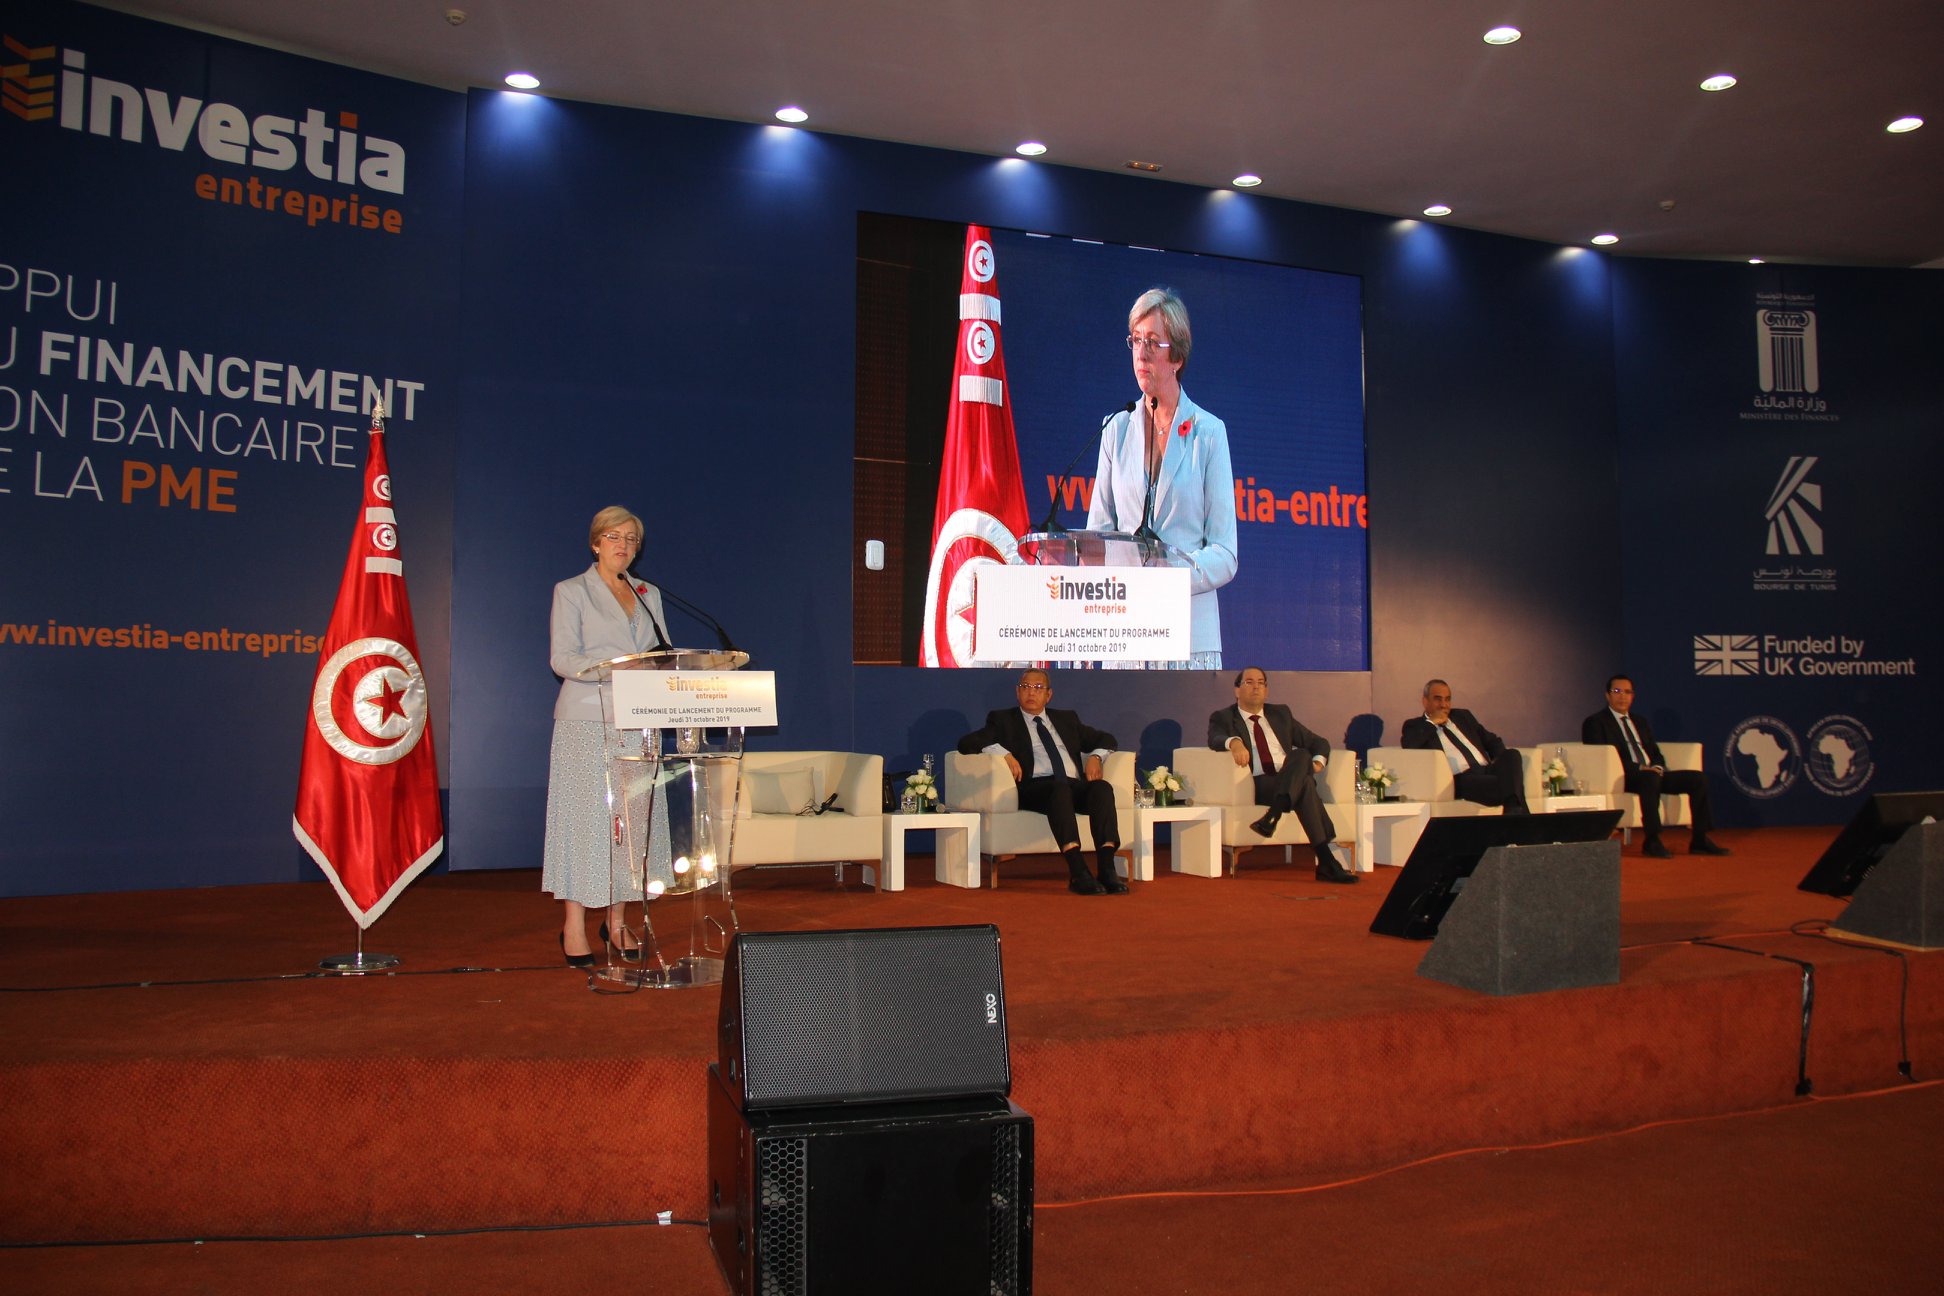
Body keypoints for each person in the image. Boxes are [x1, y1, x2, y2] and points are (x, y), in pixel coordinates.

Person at [541, 506, 673, 966]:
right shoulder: (571, 591)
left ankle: (616, 922)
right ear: (596, 543)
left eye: (632, 539)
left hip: (640, 719)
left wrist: (659, 667)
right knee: (585, 824)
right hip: (586, 720)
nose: (624, 545)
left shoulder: (648, 593)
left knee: (630, 826)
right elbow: (562, 658)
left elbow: (661, 651)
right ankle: (573, 925)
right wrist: (616, 670)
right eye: (614, 537)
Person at [1085, 287, 1238, 669]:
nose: (1141, 353)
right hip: (1125, 638)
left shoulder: (1208, 433)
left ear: (1177, 357)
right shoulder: (1115, 429)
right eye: (1136, 340)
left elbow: (1225, 553)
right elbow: (1096, 538)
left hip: (1189, 637)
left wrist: (1168, 577)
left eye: (1153, 342)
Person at [957, 669, 1125, 894]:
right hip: (1035, 788)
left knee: (1101, 788)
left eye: (1038, 688)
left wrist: (1096, 757)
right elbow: (967, 743)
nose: (1031, 693)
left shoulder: (1067, 719)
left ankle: (1107, 869)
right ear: (1017, 692)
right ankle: (1078, 872)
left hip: (1072, 785)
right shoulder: (1003, 720)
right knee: (1059, 789)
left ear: (1049, 695)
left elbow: (1107, 739)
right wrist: (1003, 753)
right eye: (1025, 687)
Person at [1206, 666, 1357, 883]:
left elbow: (1318, 742)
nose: (1256, 687)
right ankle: (1326, 862)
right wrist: (1234, 742)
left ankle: (1274, 814)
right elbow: (1215, 738)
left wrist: (1317, 762)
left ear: (1267, 691)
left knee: (1302, 756)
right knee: (1305, 783)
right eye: (1249, 682)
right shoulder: (1224, 717)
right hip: (1261, 784)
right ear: (1237, 690)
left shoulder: (1281, 714)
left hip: (1287, 778)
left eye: (1261, 683)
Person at [1581, 675, 1730, 859]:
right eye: (1617, 691)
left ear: (1633, 696)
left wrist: (1658, 766)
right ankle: (1652, 840)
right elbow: (1600, 757)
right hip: (1623, 776)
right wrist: (1641, 769)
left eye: (1627, 692)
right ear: (1607, 695)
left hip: (1651, 774)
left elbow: (1655, 752)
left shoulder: (1640, 721)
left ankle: (1700, 840)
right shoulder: (1595, 722)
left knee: (1698, 779)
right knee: (1650, 779)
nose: (1622, 696)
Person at [1400, 679, 1529, 814]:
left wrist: (1501, 765)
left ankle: (1513, 809)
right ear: (1425, 701)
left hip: (1487, 770)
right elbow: (1410, 745)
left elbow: (1492, 741)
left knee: (1512, 754)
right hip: (1461, 778)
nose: (1443, 705)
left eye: (1447, 699)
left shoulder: (1462, 716)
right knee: (1510, 786)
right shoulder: (1414, 726)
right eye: (1438, 699)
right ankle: (1516, 811)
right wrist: (1432, 723)